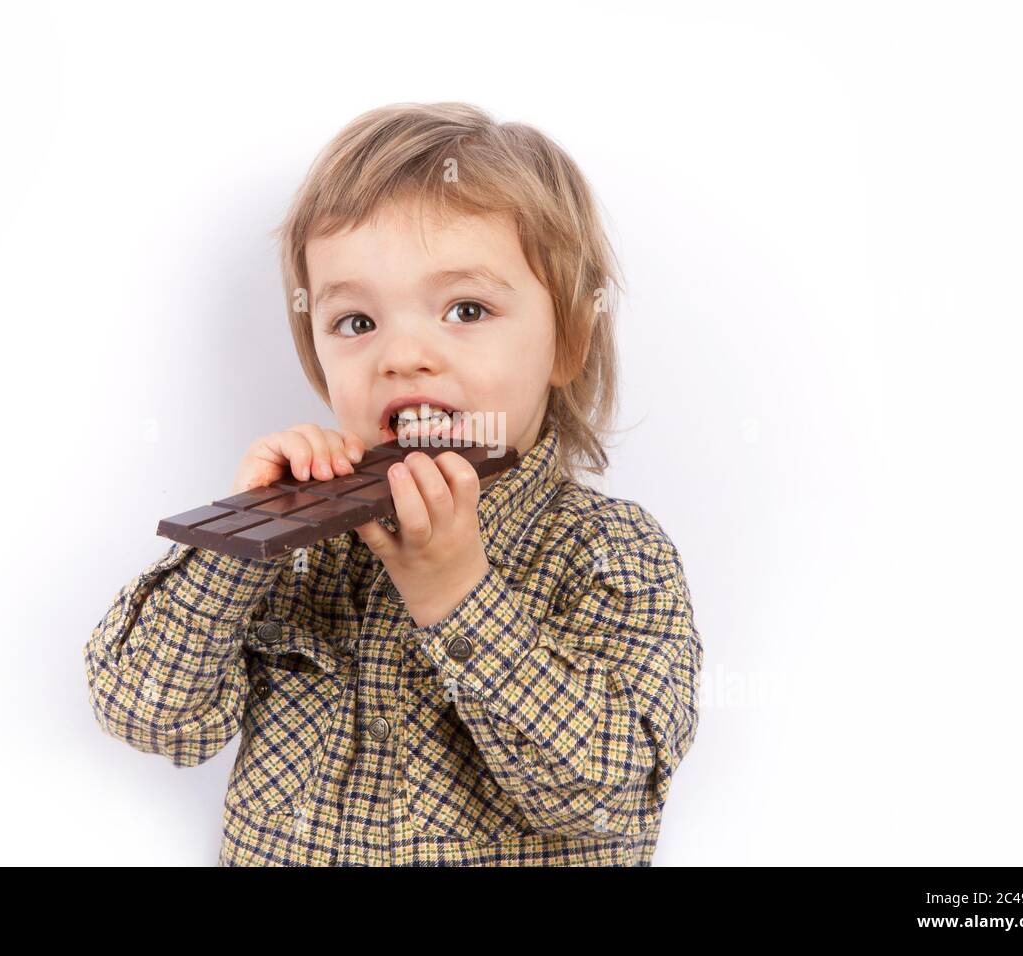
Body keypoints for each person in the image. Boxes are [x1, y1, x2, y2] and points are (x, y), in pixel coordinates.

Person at [82, 101, 703, 866]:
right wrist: (237, 543)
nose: (403, 355)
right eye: (356, 322)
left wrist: (456, 592)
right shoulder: (301, 555)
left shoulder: (611, 554)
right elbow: (150, 715)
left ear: (567, 342)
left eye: (465, 309)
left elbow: (608, 796)